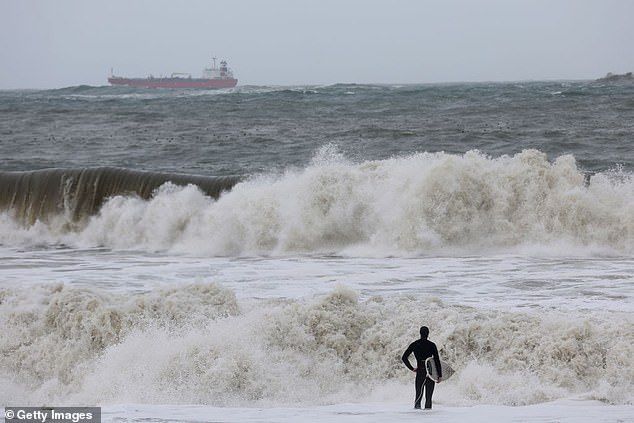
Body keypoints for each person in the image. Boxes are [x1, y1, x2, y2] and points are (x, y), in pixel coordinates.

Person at [402, 326, 442, 410]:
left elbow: (404, 357)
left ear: (420, 333)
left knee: (418, 397)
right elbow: (436, 361)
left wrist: (412, 368)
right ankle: (428, 418)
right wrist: (439, 375)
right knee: (428, 398)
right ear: (428, 334)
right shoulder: (432, 345)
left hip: (420, 372)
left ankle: (417, 418)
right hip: (430, 373)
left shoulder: (415, 344)